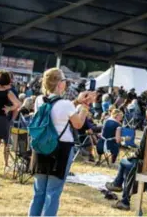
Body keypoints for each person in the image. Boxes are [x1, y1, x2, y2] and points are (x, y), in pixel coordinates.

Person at [28, 68, 95, 216]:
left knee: (38, 191)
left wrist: (77, 101)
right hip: (61, 149)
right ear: (59, 84)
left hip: (40, 147)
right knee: (53, 192)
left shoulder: (39, 100)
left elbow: (55, 105)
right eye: (64, 80)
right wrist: (84, 107)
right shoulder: (66, 105)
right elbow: (78, 124)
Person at [105, 106, 147, 211]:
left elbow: (141, 151)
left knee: (125, 162)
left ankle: (121, 193)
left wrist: (133, 156)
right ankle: (118, 187)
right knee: (130, 167)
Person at [0, 71, 21, 175]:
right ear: (8, 80)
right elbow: (18, 104)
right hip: (0, 120)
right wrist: (9, 108)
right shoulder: (8, 92)